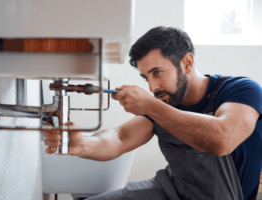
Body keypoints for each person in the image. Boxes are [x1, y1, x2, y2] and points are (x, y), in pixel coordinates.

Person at [44, 26, 262, 200]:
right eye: (146, 77)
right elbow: (121, 137)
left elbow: (222, 139)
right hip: (168, 190)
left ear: (186, 62)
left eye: (157, 72)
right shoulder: (164, 100)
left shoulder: (241, 90)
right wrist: (83, 144)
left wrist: (150, 106)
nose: (152, 87)